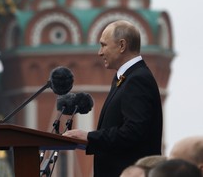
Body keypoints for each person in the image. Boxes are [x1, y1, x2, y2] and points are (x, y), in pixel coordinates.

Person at [63, 20, 163, 177]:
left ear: (122, 45)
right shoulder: (126, 77)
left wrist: (89, 137)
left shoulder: (137, 79)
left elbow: (133, 132)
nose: (100, 52)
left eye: (104, 45)